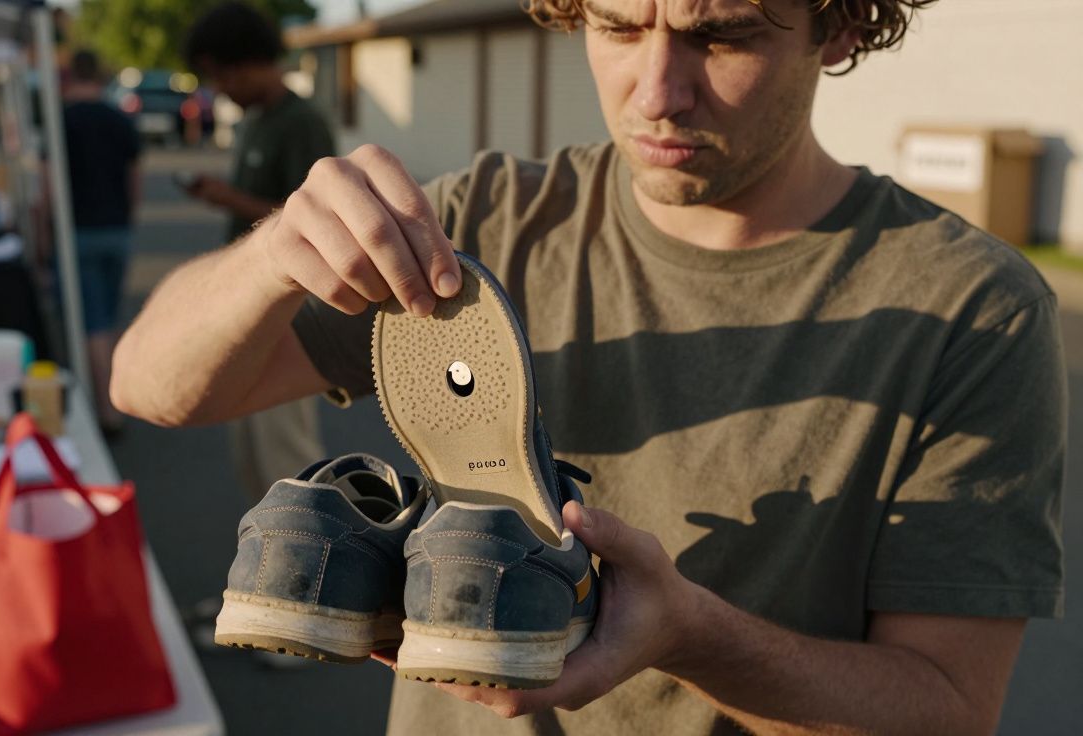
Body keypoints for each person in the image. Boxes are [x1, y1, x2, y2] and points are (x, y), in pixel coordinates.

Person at [111, 0, 1065, 734]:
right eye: (615, 25)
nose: (655, 91)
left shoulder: (973, 311)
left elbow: (947, 708)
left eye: (722, 35)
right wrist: (273, 252)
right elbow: (149, 388)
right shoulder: (484, 219)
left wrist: (693, 636)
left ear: (841, 24)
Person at [180, 2, 335, 503]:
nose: (218, 89)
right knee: (250, 453)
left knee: (287, 458)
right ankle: (270, 564)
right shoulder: (254, 121)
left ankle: (312, 566)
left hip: (287, 311)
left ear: (248, 61)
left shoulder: (302, 122)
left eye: (219, 75)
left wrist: (229, 199)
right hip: (246, 306)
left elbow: (315, 220)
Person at [59, 50, 141, 432]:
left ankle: (107, 409)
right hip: (115, 228)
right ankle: (119, 393)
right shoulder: (118, 120)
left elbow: (47, 185)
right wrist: (129, 217)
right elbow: (134, 179)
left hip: (77, 229)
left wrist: (44, 238)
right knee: (108, 318)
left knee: (92, 323)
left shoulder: (62, 119)